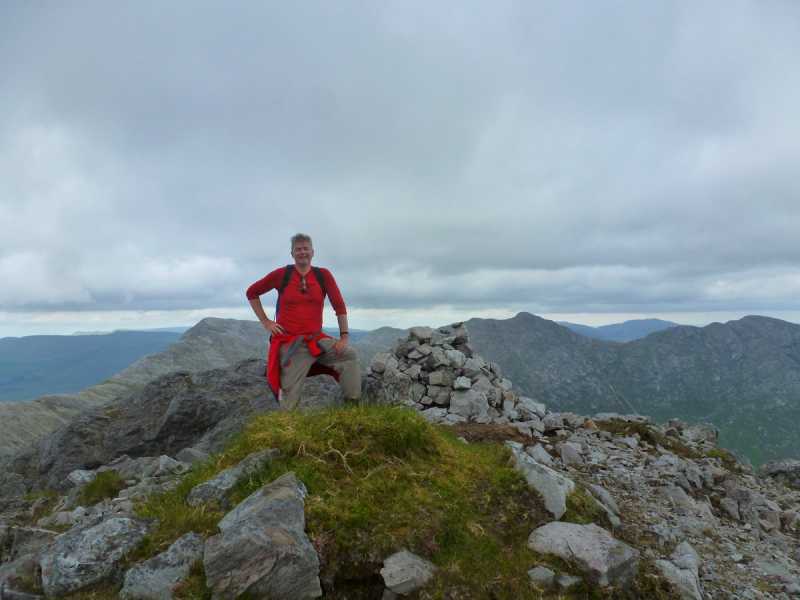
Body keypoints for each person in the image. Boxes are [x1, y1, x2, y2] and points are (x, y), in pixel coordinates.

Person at [246, 233, 361, 409]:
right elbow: (252, 292)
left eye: (305, 248)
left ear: (312, 252)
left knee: (349, 355)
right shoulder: (282, 274)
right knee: (288, 400)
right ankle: (287, 427)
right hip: (292, 343)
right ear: (292, 253)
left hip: (316, 340)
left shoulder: (323, 275)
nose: (302, 252)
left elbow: (339, 306)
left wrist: (344, 337)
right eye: (298, 249)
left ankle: (352, 408)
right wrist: (266, 322)